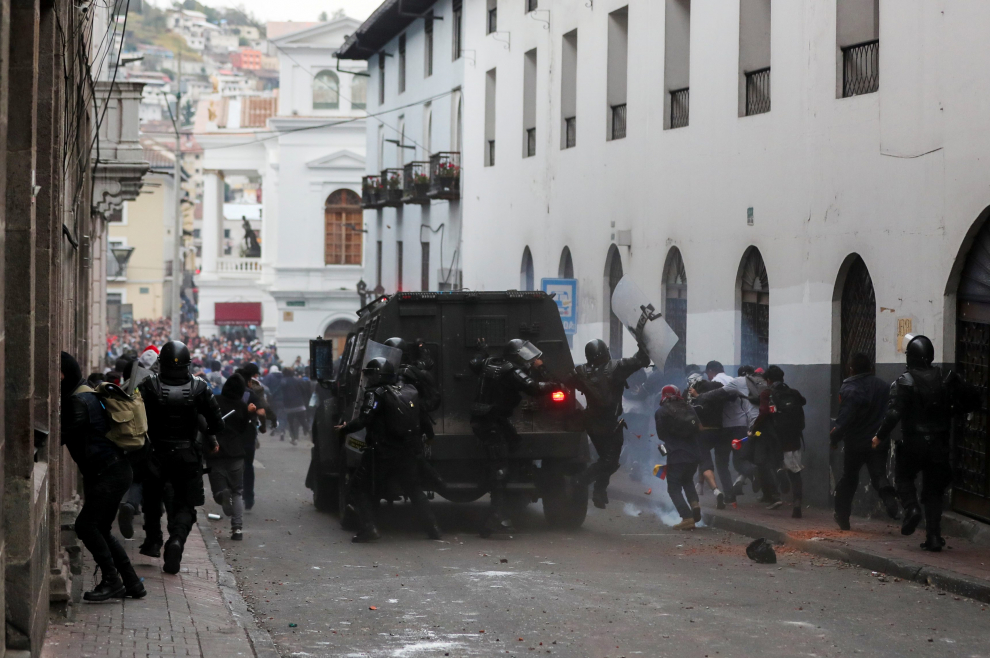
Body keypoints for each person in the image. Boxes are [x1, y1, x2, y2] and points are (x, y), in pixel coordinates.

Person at [873, 334, 979, 551]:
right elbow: (972, 399)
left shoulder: (905, 381)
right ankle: (934, 536)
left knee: (904, 478)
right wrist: (953, 411)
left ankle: (912, 509)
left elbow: (894, 413)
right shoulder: (945, 378)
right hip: (939, 443)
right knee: (934, 491)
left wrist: (879, 436)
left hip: (913, 442)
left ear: (911, 357)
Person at [60, 352, 146, 601]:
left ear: (63, 375)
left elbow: (61, 435)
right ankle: (132, 582)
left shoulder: (78, 402)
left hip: (109, 473)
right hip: (113, 471)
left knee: (85, 526)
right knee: (101, 529)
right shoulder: (85, 393)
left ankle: (112, 580)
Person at [139, 340, 224, 574]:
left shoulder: (149, 385)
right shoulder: (200, 387)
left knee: (152, 500)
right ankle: (176, 539)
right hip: (187, 455)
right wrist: (205, 433)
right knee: (186, 504)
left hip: (156, 453)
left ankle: (153, 540)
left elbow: (136, 418)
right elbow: (217, 423)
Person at [336, 358, 441, 543]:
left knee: (359, 487)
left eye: (371, 374)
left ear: (377, 375)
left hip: (381, 452)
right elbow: (422, 419)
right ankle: (433, 529)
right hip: (407, 451)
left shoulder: (375, 394)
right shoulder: (407, 392)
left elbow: (364, 419)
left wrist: (344, 429)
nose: (368, 378)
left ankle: (369, 528)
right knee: (414, 489)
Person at [469, 338, 556, 536]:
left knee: (513, 444)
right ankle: (495, 518)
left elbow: (474, 364)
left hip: (488, 418)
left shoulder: (489, 363)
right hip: (492, 421)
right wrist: (550, 380)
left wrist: (481, 351)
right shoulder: (512, 371)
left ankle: (506, 506)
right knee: (500, 469)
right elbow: (534, 388)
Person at [568, 338, 650, 508]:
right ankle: (582, 481)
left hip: (592, 422)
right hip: (609, 423)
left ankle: (599, 491)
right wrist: (642, 341)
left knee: (606, 460)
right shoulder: (616, 367)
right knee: (609, 461)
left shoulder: (580, 371)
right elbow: (641, 360)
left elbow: (567, 381)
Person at [831, 352, 899, 530]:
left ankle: (843, 517)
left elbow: (845, 418)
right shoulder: (883, 386)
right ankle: (888, 498)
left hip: (856, 442)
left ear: (851, 369)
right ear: (871, 368)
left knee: (849, 478)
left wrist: (835, 437)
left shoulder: (850, 388)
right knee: (879, 475)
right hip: (878, 440)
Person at [750, 366, 805, 517]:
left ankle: (780, 474)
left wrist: (754, 429)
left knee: (771, 462)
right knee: (796, 472)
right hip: (794, 438)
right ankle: (797, 503)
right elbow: (803, 401)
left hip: (776, 438)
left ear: (768, 380)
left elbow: (763, 413)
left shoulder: (767, 394)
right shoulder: (793, 392)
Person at [208, 374, 252, 541]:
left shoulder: (215, 401)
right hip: (236, 453)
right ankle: (237, 529)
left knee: (218, 491)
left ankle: (222, 495)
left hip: (215, 452)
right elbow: (243, 429)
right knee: (237, 491)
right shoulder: (241, 406)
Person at [705, 361, 754, 501]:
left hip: (725, 428)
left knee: (721, 462)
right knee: (740, 460)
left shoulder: (714, 383)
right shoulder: (734, 380)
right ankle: (755, 471)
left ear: (711, 371)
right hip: (742, 426)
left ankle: (729, 494)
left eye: (707, 373)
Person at [656, 385, 702, 530]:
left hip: (676, 454)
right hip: (694, 452)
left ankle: (687, 518)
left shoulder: (661, 412)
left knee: (673, 487)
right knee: (687, 480)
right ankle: (695, 504)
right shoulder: (689, 408)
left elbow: (661, 435)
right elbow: (698, 427)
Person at [687, 379, 727, 509]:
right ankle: (700, 485)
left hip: (703, 434)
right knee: (720, 463)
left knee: (705, 463)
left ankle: (716, 491)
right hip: (719, 433)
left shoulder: (699, 402)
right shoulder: (718, 399)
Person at [281, 367, 309, 445]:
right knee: (303, 421)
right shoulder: (298, 380)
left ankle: (293, 438)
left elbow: (282, 393)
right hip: (300, 404)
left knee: (291, 423)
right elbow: (304, 391)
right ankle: (311, 433)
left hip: (289, 406)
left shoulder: (283, 381)